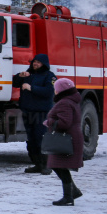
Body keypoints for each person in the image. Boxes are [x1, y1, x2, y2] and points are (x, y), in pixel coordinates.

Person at [12, 54, 55, 174]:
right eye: (34, 62)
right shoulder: (28, 74)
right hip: (28, 111)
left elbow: (49, 92)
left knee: (40, 138)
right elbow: (14, 83)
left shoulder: (49, 76)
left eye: (39, 62)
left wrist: (32, 88)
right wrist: (20, 76)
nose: (35, 64)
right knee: (31, 140)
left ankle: (47, 165)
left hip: (41, 112)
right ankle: (37, 164)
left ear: (44, 64)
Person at [44, 78, 84, 206]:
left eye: (56, 88)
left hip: (66, 138)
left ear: (61, 90)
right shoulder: (71, 101)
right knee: (58, 165)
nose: (54, 90)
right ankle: (73, 191)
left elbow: (64, 123)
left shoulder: (64, 103)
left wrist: (49, 122)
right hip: (71, 137)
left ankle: (68, 196)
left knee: (59, 166)